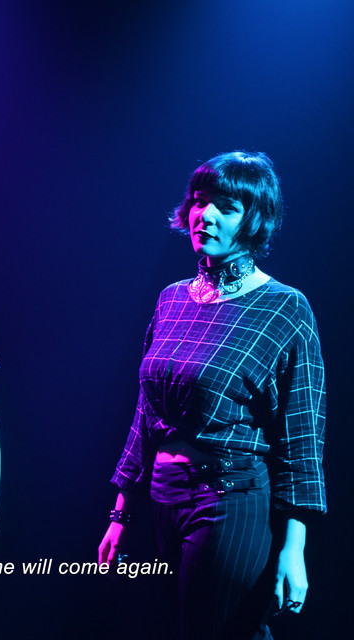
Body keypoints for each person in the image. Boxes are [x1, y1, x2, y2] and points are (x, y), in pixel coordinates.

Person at [98, 151, 326, 640]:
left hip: (229, 499)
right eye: (201, 201)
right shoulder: (171, 298)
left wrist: (294, 548)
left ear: (254, 219)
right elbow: (145, 415)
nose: (206, 215)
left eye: (227, 206)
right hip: (164, 498)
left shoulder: (284, 308)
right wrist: (121, 513)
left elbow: (302, 438)